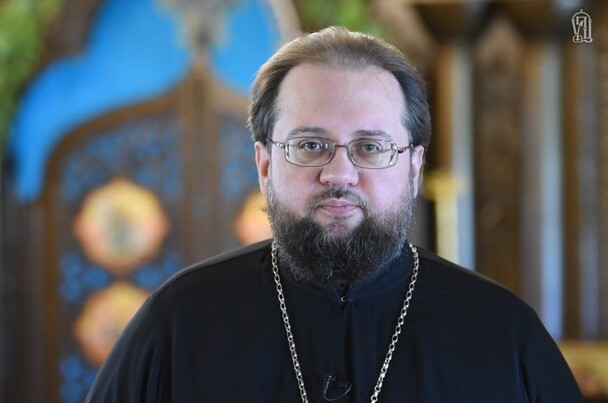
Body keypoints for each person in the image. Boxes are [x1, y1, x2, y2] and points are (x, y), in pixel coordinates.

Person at [85, 26, 582, 402]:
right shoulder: (178, 322)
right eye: (310, 144)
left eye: (370, 146)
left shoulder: (501, 331)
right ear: (264, 163)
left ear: (413, 166)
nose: (339, 173)